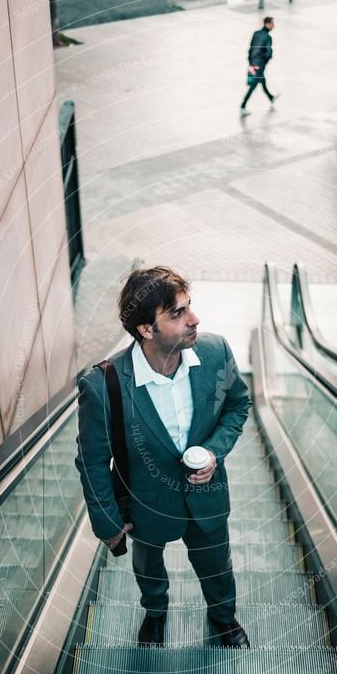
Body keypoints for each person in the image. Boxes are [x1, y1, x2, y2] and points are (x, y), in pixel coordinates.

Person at [75, 265, 251, 649]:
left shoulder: (215, 350)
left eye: (189, 307)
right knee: (148, 566)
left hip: (206, 498)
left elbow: (238, 405)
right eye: (177, 314)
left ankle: (224, 618)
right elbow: (91, 461)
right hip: (146, 504)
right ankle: (155, 614)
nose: (194, 319)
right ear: (146, 330)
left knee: (217, 565)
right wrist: (106, 522)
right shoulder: (102, 385)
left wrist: (215, 452)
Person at [240, 17, 277, 116]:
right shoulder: (268, 37)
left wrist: (251, 61)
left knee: (262, 80)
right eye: (272, 23)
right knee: (253, 85)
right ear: (267, 24)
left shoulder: (256, 33)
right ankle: (243, 106)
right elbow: (269, 53)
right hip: (259, 65)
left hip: (252, 63)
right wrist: (264, 62)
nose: (274, 26)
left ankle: (270, 97)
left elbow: (250, 48)